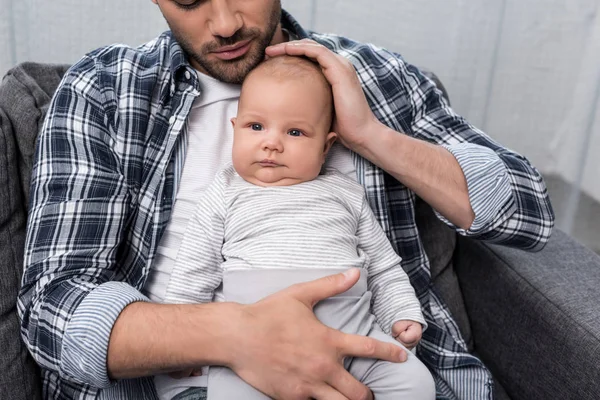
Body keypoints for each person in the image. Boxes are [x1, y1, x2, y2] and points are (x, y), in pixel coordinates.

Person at [17, 1, 555, 399]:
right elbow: (51, 311)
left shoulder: (375, 75)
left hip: (371, 354)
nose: (224, 23)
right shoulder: (109, 90)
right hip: (198, 376)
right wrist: (235, 336)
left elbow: (528, 212)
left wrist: (370, 134)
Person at [153, 55, 435, 400]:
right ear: (234, 128)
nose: (271, 142)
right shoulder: (225, 190)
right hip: (256, 352)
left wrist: (402, 314)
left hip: (354, 333)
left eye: (295, 132)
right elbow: (195, 266)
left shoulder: (346, 192)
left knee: (417, 385)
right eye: (256, 127)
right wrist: (186, 343)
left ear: (326, 146)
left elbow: (383, 266)